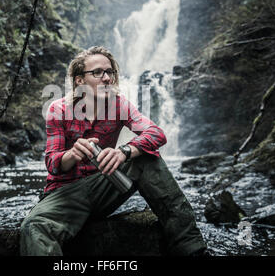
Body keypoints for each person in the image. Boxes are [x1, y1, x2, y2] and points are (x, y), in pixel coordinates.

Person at [20, 46, 207, 256]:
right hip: (65, 193)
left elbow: (157, 134)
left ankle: (193, 250)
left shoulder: (119, 105)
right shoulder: (58, 109)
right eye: (98, 72)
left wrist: (124, 151)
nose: (107, 78)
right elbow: (52, 164)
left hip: (105, 186)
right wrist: (72, 154)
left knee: (146, 157)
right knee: (34, 226)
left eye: (110, 72)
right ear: (80, 80)